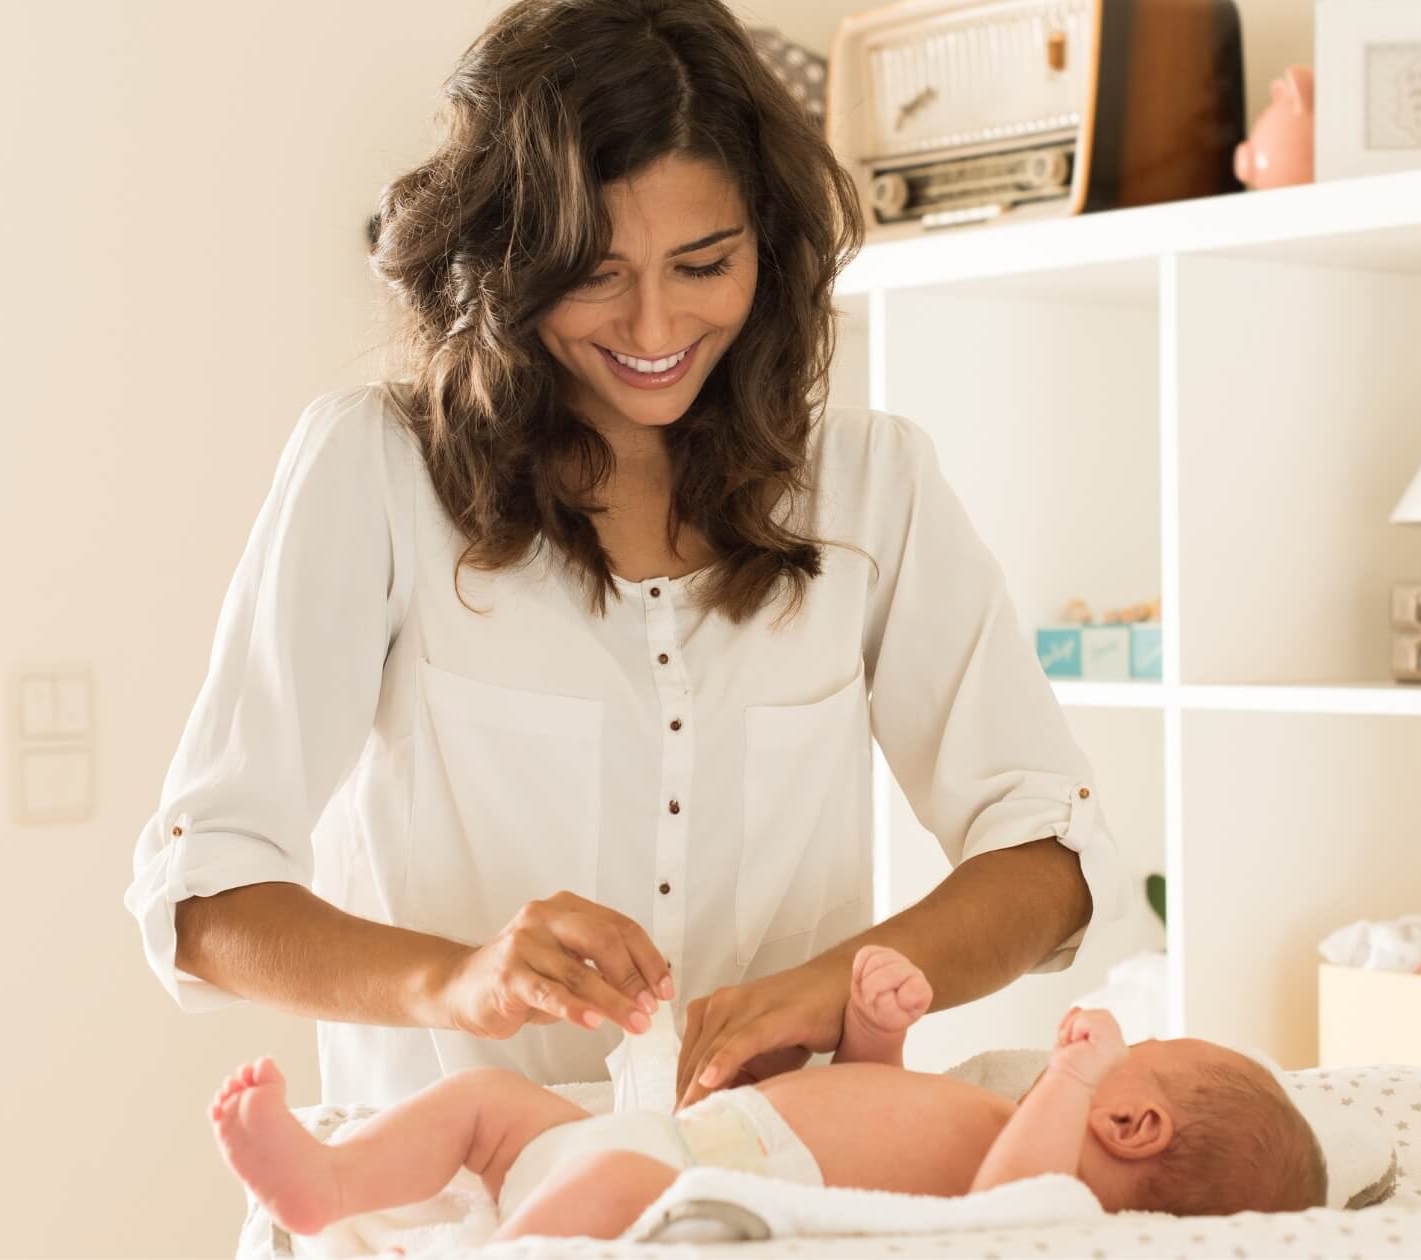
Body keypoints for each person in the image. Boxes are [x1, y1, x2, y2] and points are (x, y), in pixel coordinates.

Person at [124, 0, 1128, 1113]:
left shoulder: (868, 487)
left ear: (769, 250)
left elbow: (1050, 858)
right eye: (596, 274)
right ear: (503, 261)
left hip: (766, 1185)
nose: (653, 331)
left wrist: (826, 991)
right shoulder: (376, 472)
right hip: (461, 1202)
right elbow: (204, 896)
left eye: (704, 264)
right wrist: (457, 981)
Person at [207, 946, 1328, 1242]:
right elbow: (874, 1121)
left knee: (608, 1183)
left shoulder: (1044, 1196)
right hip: (659, 1137)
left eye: (1141, 1057)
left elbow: (999, 1210)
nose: (1088, 1055)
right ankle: (332, 1182)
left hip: (678, 1182)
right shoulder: (990, 1126)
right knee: (486, 1105)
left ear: (1130, 1123)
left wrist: (1076, 1071)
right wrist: (874, 1034)